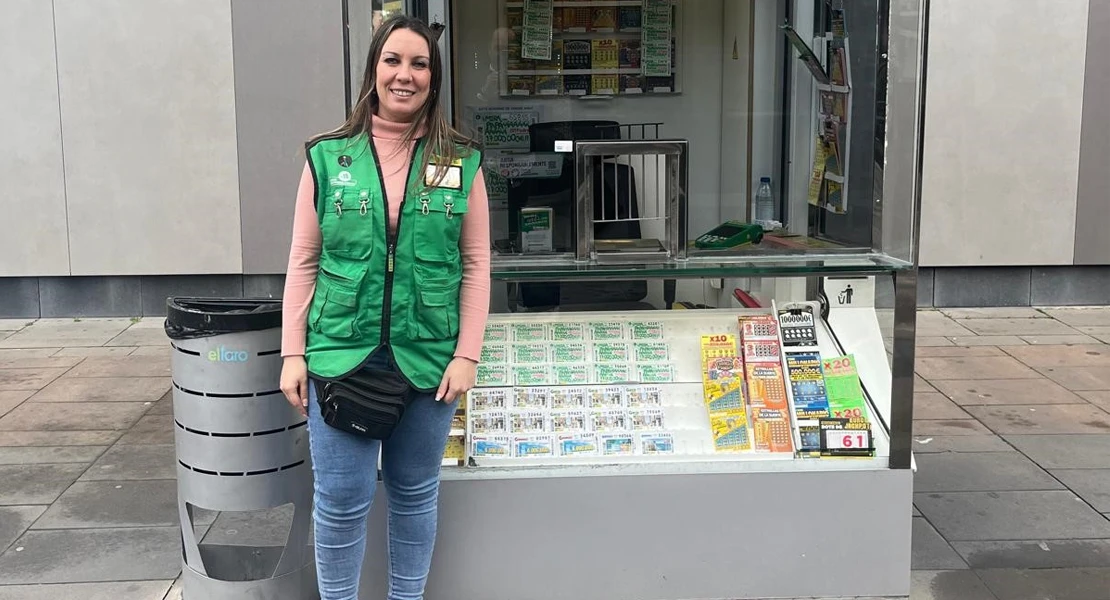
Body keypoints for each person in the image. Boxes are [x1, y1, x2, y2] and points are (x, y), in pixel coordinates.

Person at [278, 14, 490, 600]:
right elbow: (303, 261)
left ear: (433, 76)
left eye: (419, 63)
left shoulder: (462, 160)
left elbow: (475, 265)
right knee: (340, 501)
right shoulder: (327, 157)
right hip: (340, 352)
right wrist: (292, 353)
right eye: (393, 60)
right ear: (374, 69)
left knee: (415, 493)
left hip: (428, 355)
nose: (405, 74)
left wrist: (467, 354)